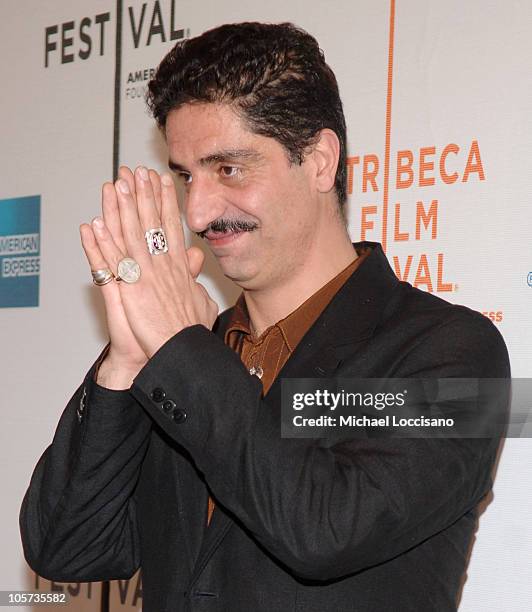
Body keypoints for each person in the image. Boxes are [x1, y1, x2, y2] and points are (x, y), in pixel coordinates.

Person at [20, 22, 510, 611]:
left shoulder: (455, 351)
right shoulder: (188, 356)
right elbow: (64, 548)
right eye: (185, 176)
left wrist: (179, 346)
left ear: (321, 161)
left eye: (229, 169)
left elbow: (325, 528)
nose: (197, 212)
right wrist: (126, 361)